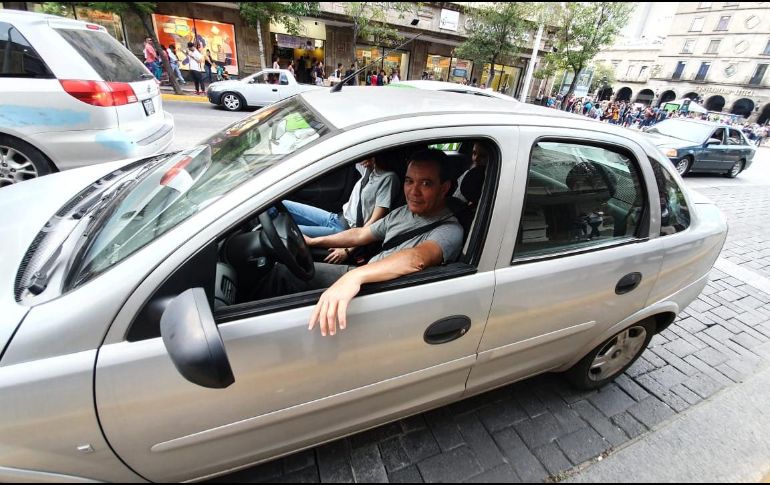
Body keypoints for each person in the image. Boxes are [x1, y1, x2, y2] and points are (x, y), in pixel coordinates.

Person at [258, 149, 464, 337]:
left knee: (282, 275)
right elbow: (361, 234)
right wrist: (314, 241)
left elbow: (417, 258)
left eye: (426, 183)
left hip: (383, 290)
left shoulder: (450, 230)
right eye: (410, 181)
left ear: (444, 188)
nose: (414, 191)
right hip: (367, 274)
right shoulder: (405, 212)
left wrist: (355, 276)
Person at [283, 155, 399, 242]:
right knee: (283, 204)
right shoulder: (369, 170)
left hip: (347, 231)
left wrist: (349, 246)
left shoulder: (388, 178)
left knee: (288, 230)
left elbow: (376, 221)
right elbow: (354, 149)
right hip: (337, 218)